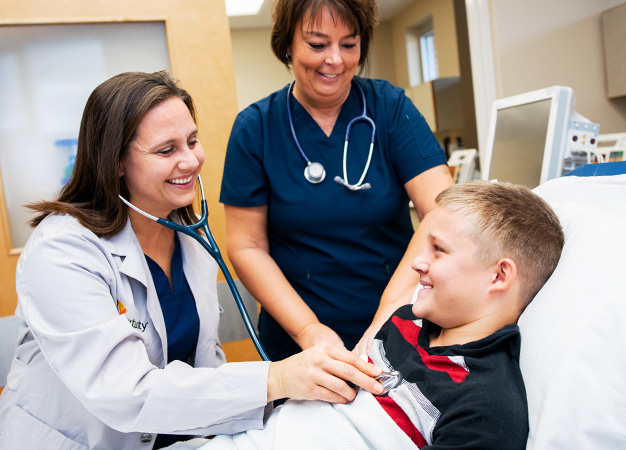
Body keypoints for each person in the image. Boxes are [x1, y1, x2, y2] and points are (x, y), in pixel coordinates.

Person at [0, 71, 385, 450]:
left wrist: (282, 404)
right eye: (166, 150)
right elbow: (124, 391)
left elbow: (204, 371)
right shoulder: (63, 250)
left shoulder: (192, 241)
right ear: (115, 161)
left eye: (192, 141)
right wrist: (278, 377)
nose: (190, 160)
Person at [199, 180, 565, 449]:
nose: (417, 262)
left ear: (499, 275)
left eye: (438, 250)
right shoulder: (404, 322)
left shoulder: (485, 405)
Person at [220, 0, 454, 362]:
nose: (335, 60)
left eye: (349, 44)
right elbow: (246, 246)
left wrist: (386, 319)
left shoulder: (389, 108)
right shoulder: (256, 129)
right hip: (298, 343)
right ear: (287, 44)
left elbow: (444, 211)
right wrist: (308, 332)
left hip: (399, 328)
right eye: (317, 45)